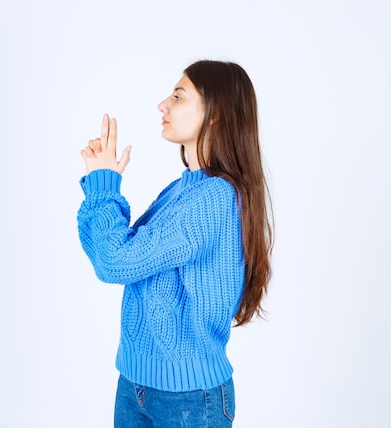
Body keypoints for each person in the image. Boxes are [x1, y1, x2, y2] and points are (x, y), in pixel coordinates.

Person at [77, 60, 273, 427]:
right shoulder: (185, 189)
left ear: (215, 114)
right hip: (137, 383)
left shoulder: (212, 198)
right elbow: (116, 252)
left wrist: (103, 187)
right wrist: (101, 188)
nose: (162, 105)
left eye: (178, 96)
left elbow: (115, 260)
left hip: (186, 399)